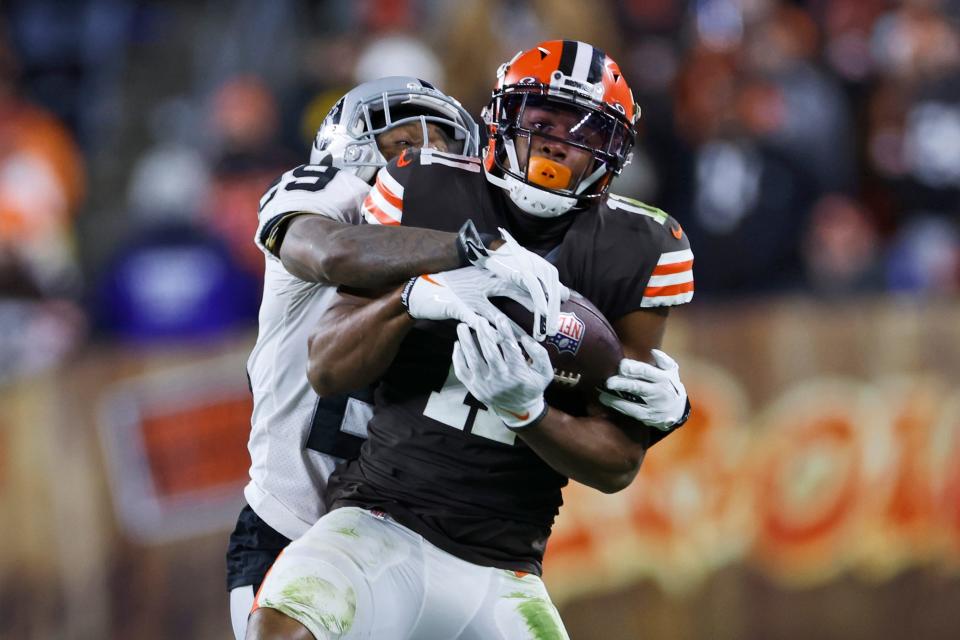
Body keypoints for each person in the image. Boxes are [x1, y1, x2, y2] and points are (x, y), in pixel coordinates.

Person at [247, 40, 694, 640]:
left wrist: (529, 411)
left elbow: (618, 458)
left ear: (612, 155)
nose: (558, 143)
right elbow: (328, 353)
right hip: (371, 516)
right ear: (504, 121)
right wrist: (417, 294)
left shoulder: (642, 246)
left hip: (506, 565)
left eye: (582, 131)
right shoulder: (410, 189)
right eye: (542, 122)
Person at [227, 76, 570, 640]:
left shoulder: (478, 231)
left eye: (443, 144)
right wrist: (472, 248)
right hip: (294, 520)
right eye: (407, 144)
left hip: (412, 536)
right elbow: (336, 252)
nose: (427, 159)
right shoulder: (329, 194)